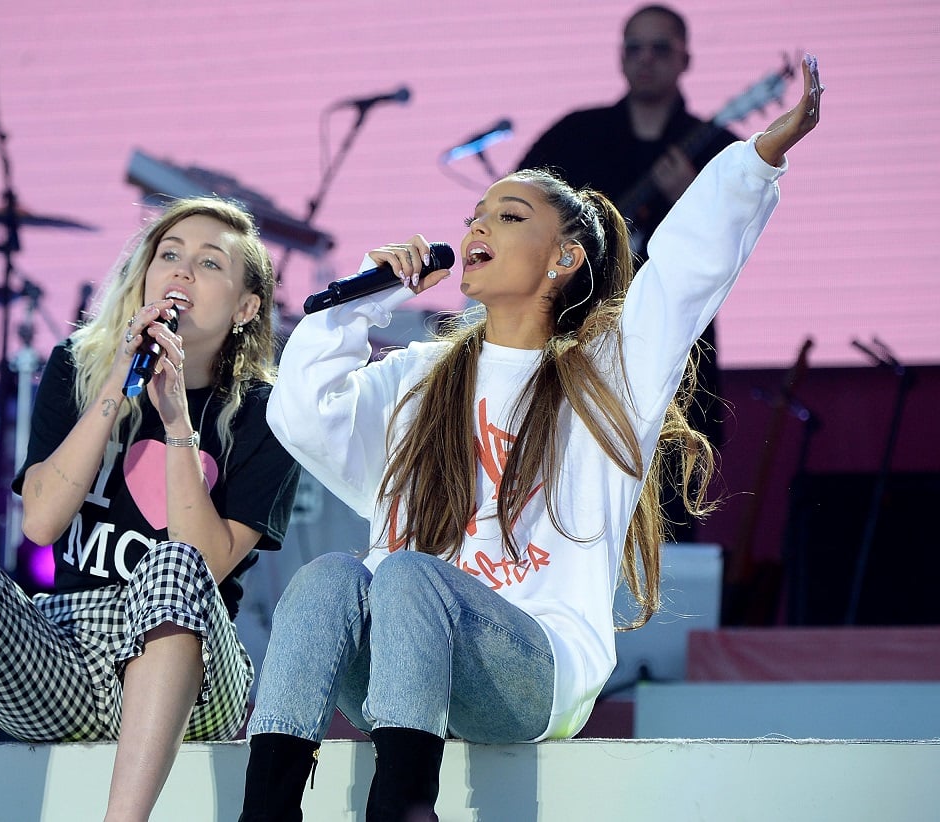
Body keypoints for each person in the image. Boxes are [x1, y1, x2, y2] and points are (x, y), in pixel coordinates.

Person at [238, 56, 822, 822]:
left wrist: (757, 159)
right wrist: (365, 298)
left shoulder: (607, 376)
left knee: (410, 575)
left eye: (509, 216)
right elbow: (302, 410)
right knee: (325, 580)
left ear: (564, 257)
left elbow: (683, 272)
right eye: (476, 214)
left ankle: (404, 809)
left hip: (528, 669)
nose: (478, 226)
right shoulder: (419, 377)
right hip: (400, 665)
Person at [0, 197, 301, 821]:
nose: (180, 271)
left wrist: (177, 421)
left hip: (188, 667)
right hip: (63, 655)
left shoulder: (265, 413)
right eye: (168, 255)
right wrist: (115, 391)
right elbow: (40, 523)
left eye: (208, 263)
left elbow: (204, 562)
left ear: (245, 306)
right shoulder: (78, 366)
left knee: (173, 564)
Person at [516, 4, 740, 541]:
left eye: (660, 48)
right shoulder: (575, 136)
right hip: (578, 341)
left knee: (668, 501)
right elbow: (516, 208)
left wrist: (690, 200)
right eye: (634, 47)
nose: (646, 60)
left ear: (686, 57)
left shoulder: (714, 146)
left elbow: (736, 250)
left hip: (675, 350)